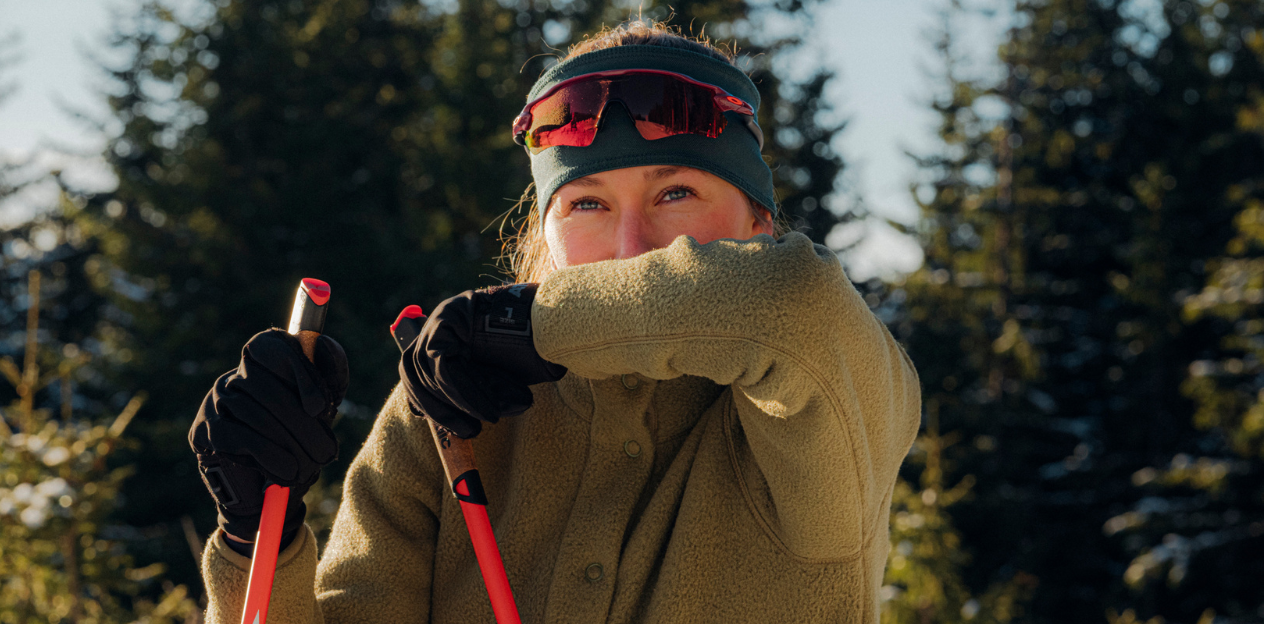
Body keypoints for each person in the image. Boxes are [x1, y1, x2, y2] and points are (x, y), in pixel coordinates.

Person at [188, 19, 921, 623]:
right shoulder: (447, 414)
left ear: (759, 227)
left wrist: (525, 324)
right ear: (545, 236)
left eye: (677, 194)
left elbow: (791, 301)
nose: (632, 247)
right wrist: (261, 540)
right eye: (588, 204)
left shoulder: (821, 408)